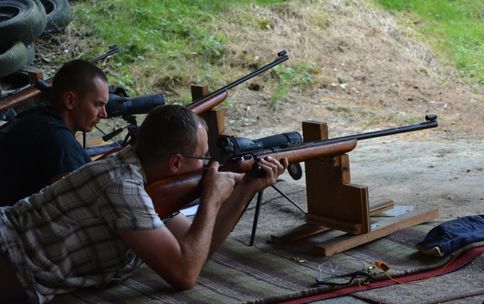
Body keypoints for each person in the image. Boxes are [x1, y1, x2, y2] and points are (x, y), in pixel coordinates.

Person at [0, 104, 288, 303]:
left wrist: (245, 190)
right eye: (202, 158)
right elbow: (184, 273)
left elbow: (196, 248)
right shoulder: (123, 185)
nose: (206, 166)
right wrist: (211, 199)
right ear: (175, 162)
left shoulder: (142, 178)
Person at [0, 59, 109, 206]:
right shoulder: (59, 141)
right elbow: (82, 206)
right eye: (97, 105)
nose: (104, 114)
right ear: (70, 100)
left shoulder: (33, 116)